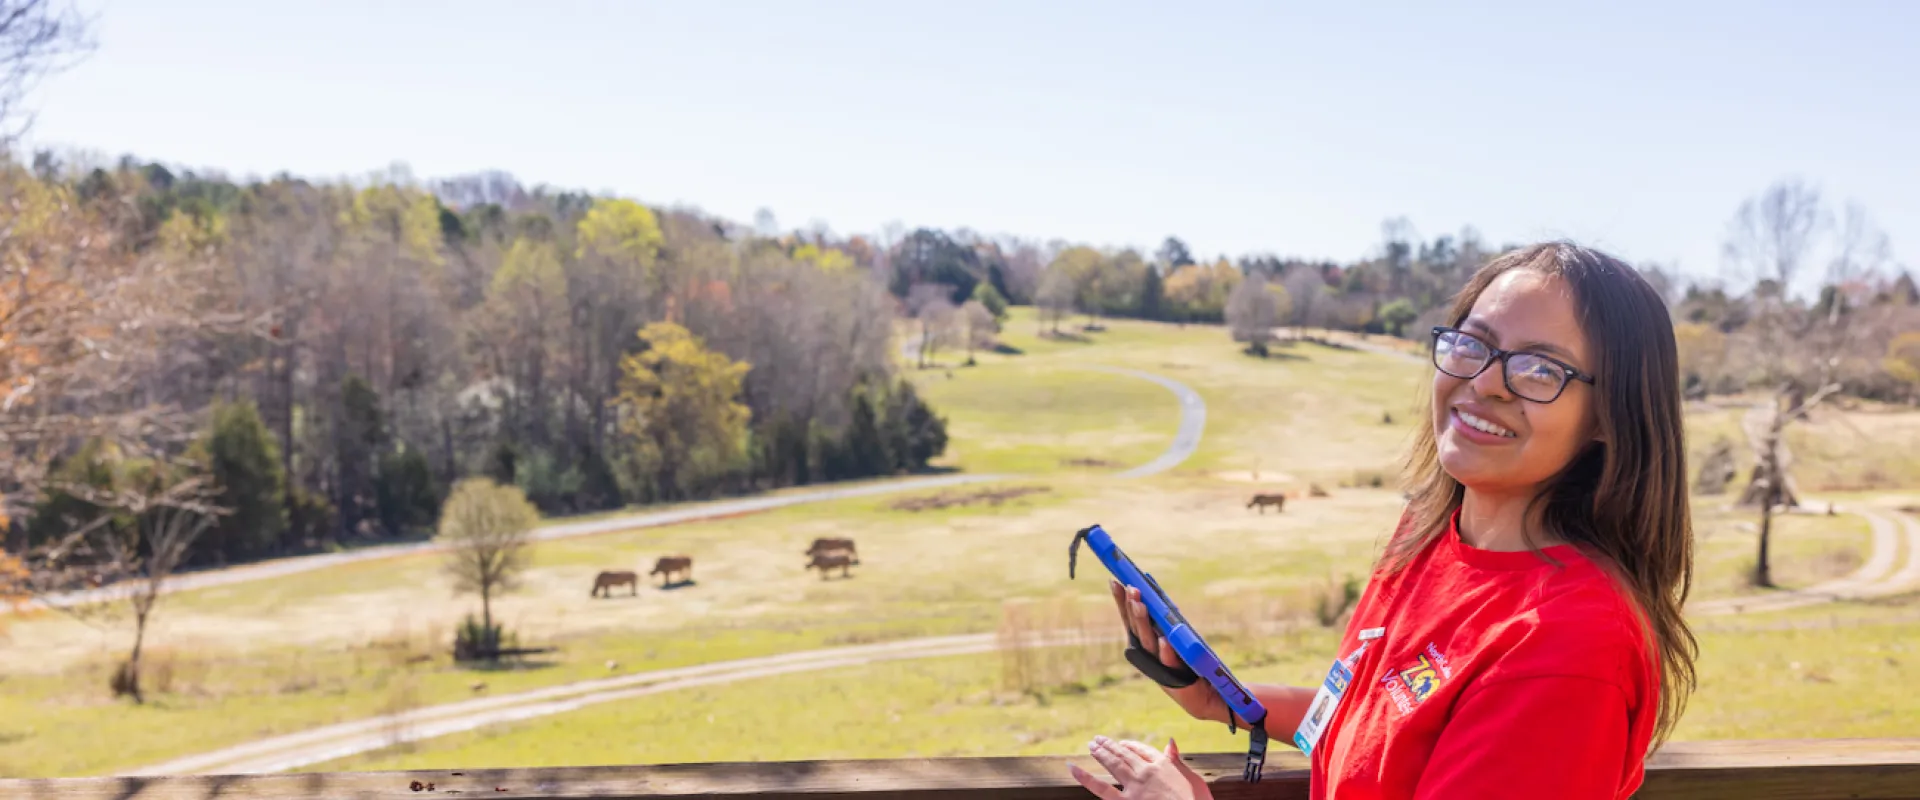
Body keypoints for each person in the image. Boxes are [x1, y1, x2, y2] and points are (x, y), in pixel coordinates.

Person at [1069, 242, 1697, 800]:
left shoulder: (1565, 648)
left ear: (1610, 417)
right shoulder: (1426, 536)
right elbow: (1385, 723)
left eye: (1539, 369)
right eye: (1474, 344)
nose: (1485, 383)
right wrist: (1235, 704)